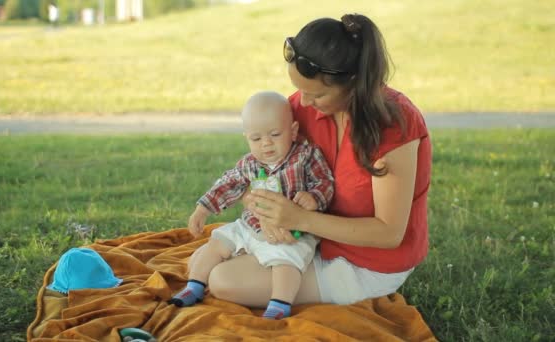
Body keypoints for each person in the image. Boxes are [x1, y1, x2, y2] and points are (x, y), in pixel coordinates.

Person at [190, 13, 432, 308]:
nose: (302, 102)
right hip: (310, 239)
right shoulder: (300, 109)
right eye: (299, 89)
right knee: (201, 265)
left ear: (352, 82)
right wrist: (259, 204)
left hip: (368, 263)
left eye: (315, 94)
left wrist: (300, 219)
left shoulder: (394, 123)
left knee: (224, 281)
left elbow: (389, 233)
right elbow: (262, 169)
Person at [169, 91, 334, 319]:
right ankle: (194, 285)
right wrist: (203, 208)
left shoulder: (306, 156)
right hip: (250, 226)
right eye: (256, 139)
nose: (266, 144)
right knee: (217, 241)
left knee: (287, 262)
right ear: (247, 137)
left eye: (275, 135)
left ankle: (279, 304)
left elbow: (325, 181)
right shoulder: (249, 163)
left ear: (293, 131)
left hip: (291, 232)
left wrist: (315, 197)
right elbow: (227, 185)